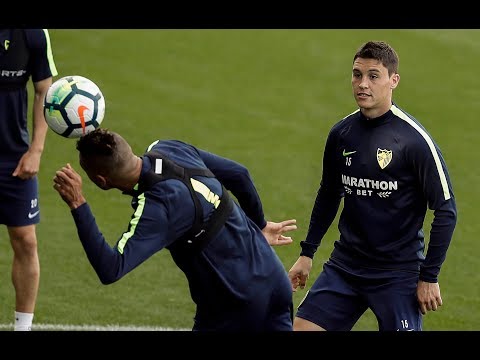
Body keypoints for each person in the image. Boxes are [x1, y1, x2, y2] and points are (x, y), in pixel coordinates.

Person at [53, 128, 297, 331]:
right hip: (275, 282)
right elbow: (240, 175)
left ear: (101, 181)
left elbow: (111, 268)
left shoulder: (157, 208)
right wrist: (260, 225)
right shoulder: (170, 148)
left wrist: (78, 204)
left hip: (235, 306)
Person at [288, 41, 457, 331]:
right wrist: (307, 253)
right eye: (357, 75)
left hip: (398, 274)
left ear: (394, 80)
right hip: (346, 266)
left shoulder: (414, 141)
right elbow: (329, 193)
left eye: (373, 76)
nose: (362, 84)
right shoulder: (342, 133)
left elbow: (446, 209)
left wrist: (429, 275)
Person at [0, 29, 58, 331]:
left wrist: (36, 150)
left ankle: (22, 328)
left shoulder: (33, 33)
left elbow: (43, 91)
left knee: (25, 240)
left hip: (13, 158)